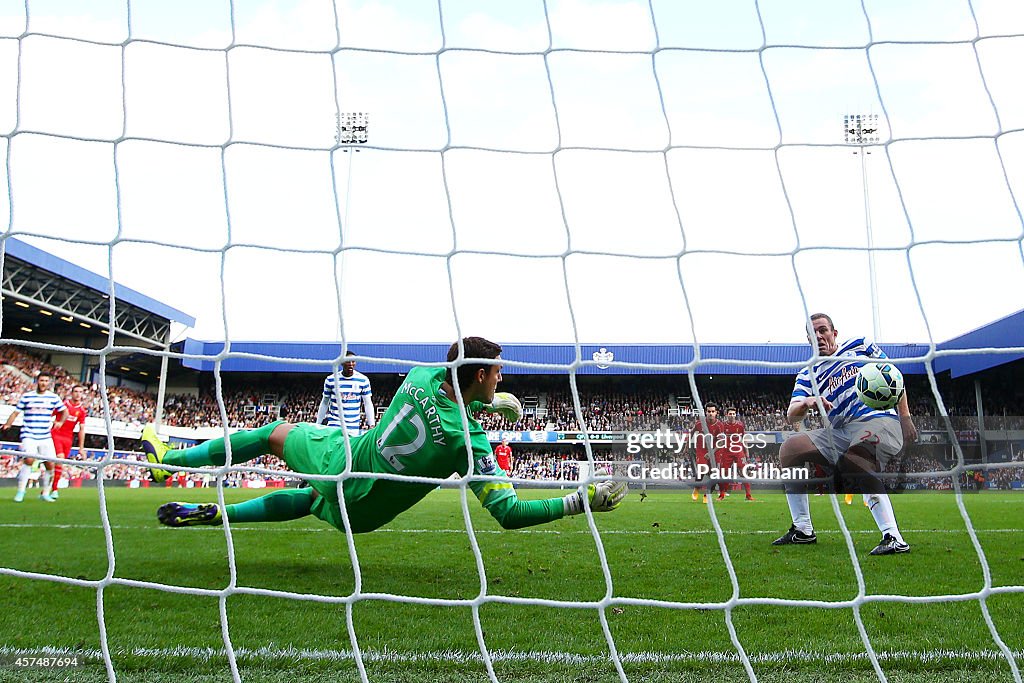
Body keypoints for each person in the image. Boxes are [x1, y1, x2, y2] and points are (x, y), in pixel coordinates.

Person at [142, 337, 627, 532]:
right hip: (364, 515)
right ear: (481, 376)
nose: (502, 378)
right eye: (497, 374)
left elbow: (449, 386)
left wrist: (488, 400)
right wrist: (582, 500)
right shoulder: (470, 444)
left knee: (273, 434)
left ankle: (170, 462)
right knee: (310, 502)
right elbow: (509, 513)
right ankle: (217, 516)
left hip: (344, 459)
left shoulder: (418, 377)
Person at [773, 313, 917, 555]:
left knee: (855, 460)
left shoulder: (860, 346)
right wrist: (808, 401)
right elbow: (791, 415)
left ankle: (893, 536)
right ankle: (803, 530)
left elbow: (894, 377)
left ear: (834, 333)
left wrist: (905, 417)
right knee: (789, 450)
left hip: (878, 420)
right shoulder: (808, 374)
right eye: (813, 332)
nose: (819, 336)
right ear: (808, 338)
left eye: (823, 330)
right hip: (840, 431)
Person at [3, 373, 67, 502]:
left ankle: (45, 493)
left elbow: (64, 411)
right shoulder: (27, 396)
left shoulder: (53, 397)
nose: (43, 383)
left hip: (44, 435)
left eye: (46, 381)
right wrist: (8, 424)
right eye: (41, 380)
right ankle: (21, 492)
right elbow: (16, 412)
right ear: (37, 381)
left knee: (50, 464)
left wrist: (60, 422)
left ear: (49, 383)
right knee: (29, 460)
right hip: (29, 434)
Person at [316, 350, 375, 436]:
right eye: (348, 361)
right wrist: (318, 424)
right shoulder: (331, 380)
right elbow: (325, 402)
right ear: (342, 362)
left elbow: (367, 403)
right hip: (334, 425)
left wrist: (372, 424)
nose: (351, 364)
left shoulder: (363, 380)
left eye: (353, 361)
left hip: (353, 427)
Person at [50, 384, 88, 499]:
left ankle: (48, 489)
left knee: (59, 464)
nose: (78, 394)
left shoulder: (81, 411)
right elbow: (50, 415)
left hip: (68, 438)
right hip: (56, 434)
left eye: (80, 392)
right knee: (59, 459)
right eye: (76, 391)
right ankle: (55, 490)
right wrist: (53, 423)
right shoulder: (63, 405)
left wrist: (81, 448)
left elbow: (81, 429)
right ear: (72, 393)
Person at [689, 402, 726, 503]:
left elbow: (722, 442)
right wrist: (686, 446)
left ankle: (707, 495)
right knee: (701, 470)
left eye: (713, 411)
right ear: (706, 412)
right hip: (702, 450)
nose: (710, 413)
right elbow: (691, 432)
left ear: (716, 413)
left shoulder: (719, 425)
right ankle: (697, 488)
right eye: (709, 411)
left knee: (714, 474)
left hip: (715, 451)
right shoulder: (700, 423)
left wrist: (711, 453)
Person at [721, 407, 756, 501]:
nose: (732, 415)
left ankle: (748, 496)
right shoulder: (723, 425)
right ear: (726, 414)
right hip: (726, 451)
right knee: (724, 473)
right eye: (730, 414)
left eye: (733, 414)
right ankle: (722, 495)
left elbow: (744, 439)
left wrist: (747, 453)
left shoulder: (740, 425)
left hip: (738, 451)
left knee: (744, 472)